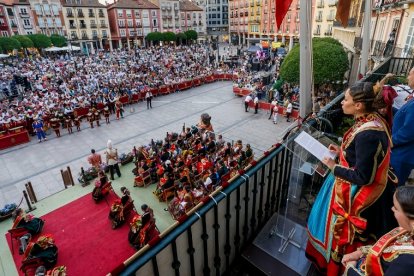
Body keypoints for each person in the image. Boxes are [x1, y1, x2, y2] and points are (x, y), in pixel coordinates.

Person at [306, 82, 397, 276]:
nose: (342, 103)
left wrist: (334, 167)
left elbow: (363, 176)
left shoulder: (369, 133)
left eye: (346, 99)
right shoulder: (371, 121)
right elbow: (361, 156)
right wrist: (342, 152)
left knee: (333, 231)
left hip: (355, 194)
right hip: (354, 184)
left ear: (358, 105)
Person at [342, 186, 414, 276]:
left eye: (396, 208)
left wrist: (350, 269)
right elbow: (387, 248)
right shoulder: (406, 229)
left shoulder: (408, 262)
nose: (392, 209)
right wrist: (360, 253)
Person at [391, 67, 414, 186]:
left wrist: (390, 142)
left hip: (401, 156)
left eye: (409, 74)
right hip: (402, 154)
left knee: (392, 189)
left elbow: (409, 132)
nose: (407, 78)